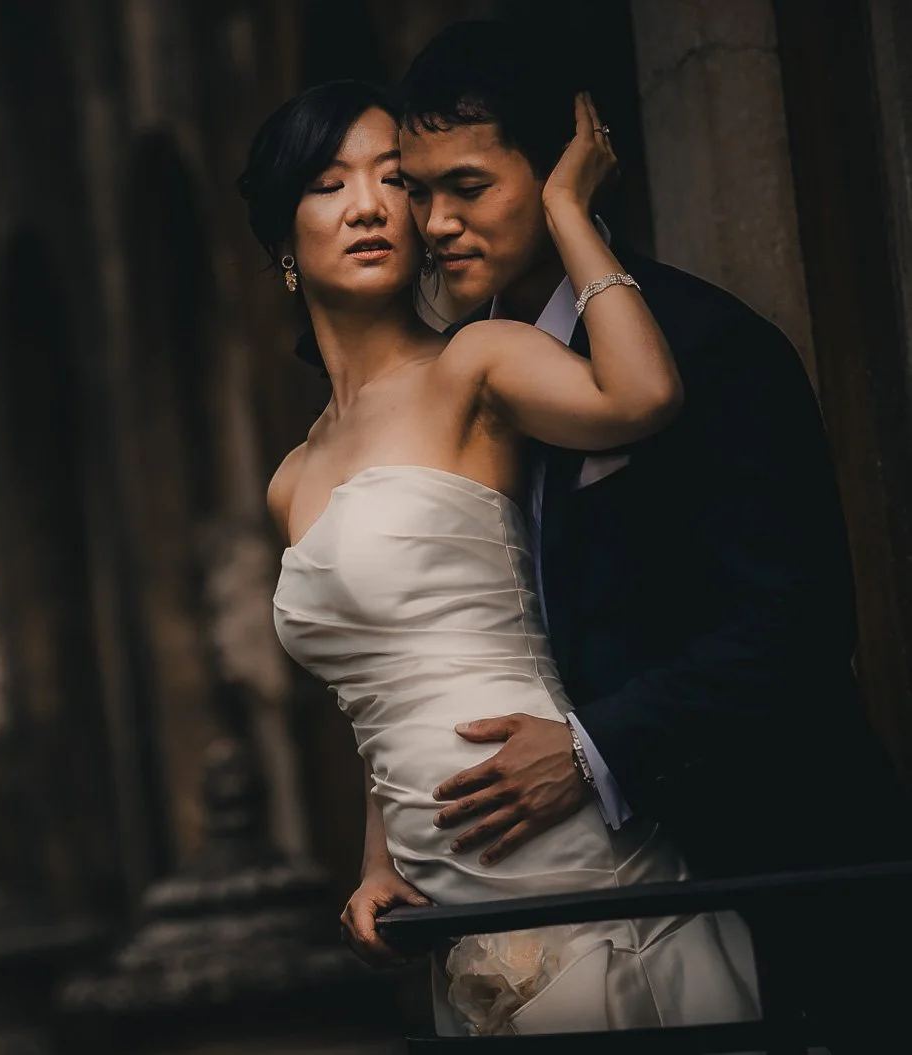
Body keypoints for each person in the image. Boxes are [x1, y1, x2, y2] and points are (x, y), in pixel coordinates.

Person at [343, 19, 912, 1047]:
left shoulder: (712, 349)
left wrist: (592, 751)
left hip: (778, 887)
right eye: (416, 190)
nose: (431, 222)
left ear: (568, 163)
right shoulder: (456, 383)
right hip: (550, 916)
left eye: (466, 187)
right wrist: (397, 847)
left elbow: (791, 628)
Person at [243, 78, 761, 1035]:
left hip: (555, 840)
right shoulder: (291, 477)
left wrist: (569, 210)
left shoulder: (474, 363)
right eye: (328, 182)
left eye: (391, 178)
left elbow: (643, 394)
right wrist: (381, 858)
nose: (368, 205)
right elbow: (378, 688)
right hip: (452, 904)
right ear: (285, 240)